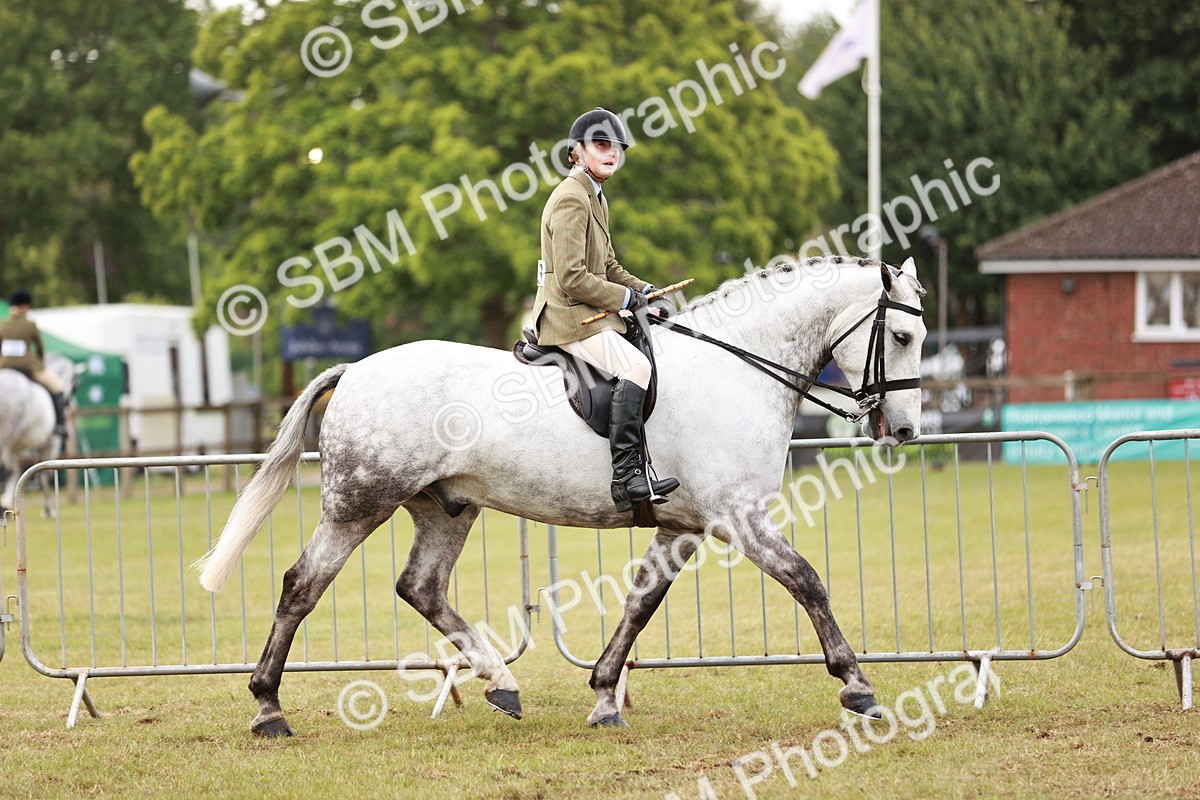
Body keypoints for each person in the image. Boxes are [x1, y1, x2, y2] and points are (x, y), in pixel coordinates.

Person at [531, 107, 679, 512]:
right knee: (637, 367)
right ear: (576, 151)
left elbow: (608, 265)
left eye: (616, 146)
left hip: (588, 310)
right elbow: (572, 278)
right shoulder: (571, 199)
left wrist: (642, 288)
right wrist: (625, 300)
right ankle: (627, 475)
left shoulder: (596, 196)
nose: (611, 152)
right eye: (601, 145)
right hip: (568, 316)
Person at [1, 289, 68, 436]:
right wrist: (40, 361)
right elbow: (40, 348)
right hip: (28, 366)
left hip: (4, 366)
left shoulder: (3, 325)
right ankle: (60, 425)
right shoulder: (30, 325)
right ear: (25, 306)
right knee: (58, 388)